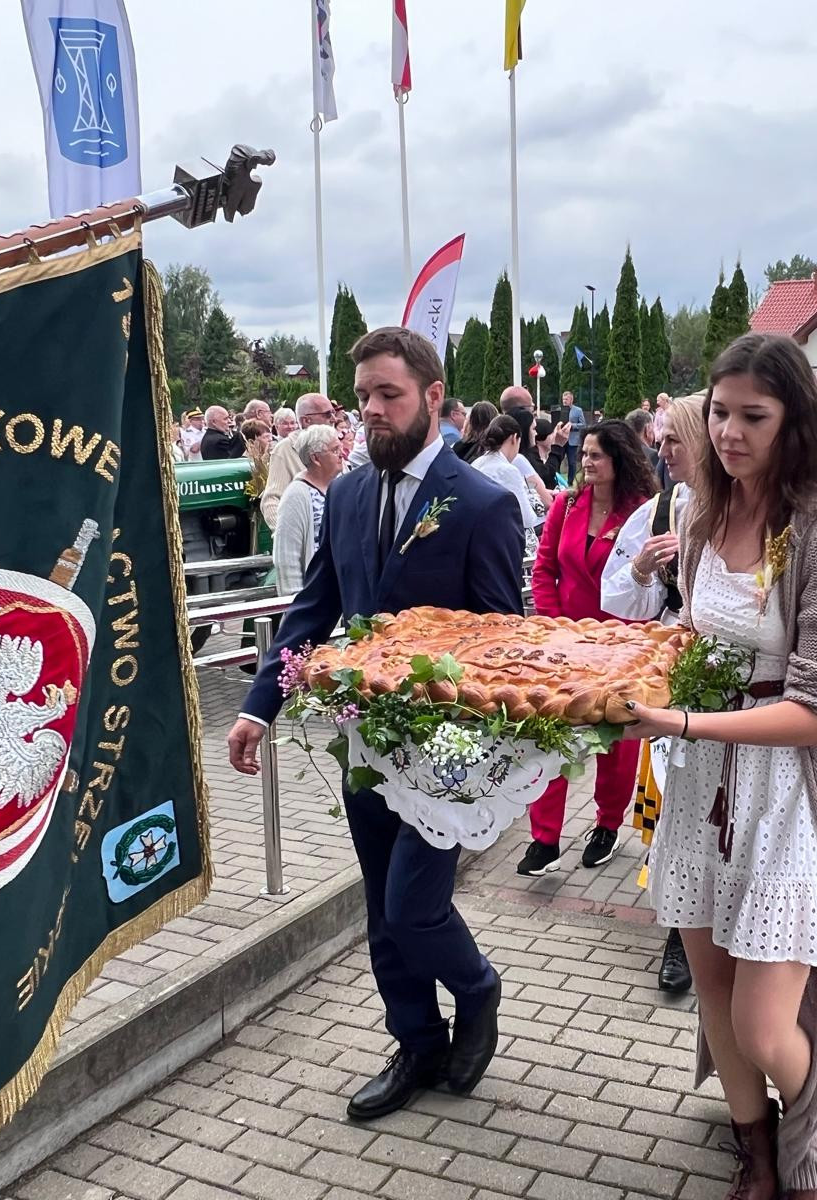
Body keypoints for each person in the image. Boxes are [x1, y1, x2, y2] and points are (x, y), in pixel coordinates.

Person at [227, 327, 525, 1120]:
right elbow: (313, 607)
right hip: (365, 742)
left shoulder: (483, 504)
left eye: (389, 394)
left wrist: (471, 731)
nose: (373, 410)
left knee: (412, 906)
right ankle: (416, 1042)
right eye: (363, 397)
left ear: (433, 396)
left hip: (449, 746)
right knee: (380, 908)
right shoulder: (349, 495)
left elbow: (502, 643)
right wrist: (260, 705)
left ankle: (477, 988)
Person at [620, 332, 817, 1200]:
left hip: (791, 790)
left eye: (753, 417)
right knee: (713, 984)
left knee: (764, 1023)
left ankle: (814, 1145)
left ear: (795, 419)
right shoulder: (705, 510)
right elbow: (696, 634)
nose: (729, 433)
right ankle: (756, 1152)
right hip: (702, 782)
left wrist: (682, 719)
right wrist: (628, 681)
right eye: (721, 413)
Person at [601, 395, 709, 996]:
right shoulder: (660, 510)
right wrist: (643, 568)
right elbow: (617, 595)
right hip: (678, 667)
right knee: (677, 800)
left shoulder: (760, 505)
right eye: (660, 440)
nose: (663, 451)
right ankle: (679, 930)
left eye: (674, 439)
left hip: (745, 677)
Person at [520, 421, 657, 877]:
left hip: (621, 645)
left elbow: (648, 584)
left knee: (614, 739)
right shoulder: (566, 504)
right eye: (584, 455)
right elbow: (544, 569)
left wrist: (618, 638)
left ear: (619, 459)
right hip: (565, 642)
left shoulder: (642, 512)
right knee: (551, 733)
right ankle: (544, 839)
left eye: (596, 455)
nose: (586, 462)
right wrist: (556, 624)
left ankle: (607, 825)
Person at [271, 425, 343, 595]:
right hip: (317, 594)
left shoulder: (340, 485)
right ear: (315, 458)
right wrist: (295, 599)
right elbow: (286, 556)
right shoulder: (296, 495)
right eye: (334, 450)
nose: (341, 454)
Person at [260, 394, 337, 529]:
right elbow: (271, 500)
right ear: (306, 421)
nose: (334, 419)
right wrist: (288, 534)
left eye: (334, 413)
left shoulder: (334, 444)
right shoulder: (285, 449)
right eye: (327, 414)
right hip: (310, 536)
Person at [471, 414, 540, 546]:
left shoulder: (476, 463)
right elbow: (527, 519)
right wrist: (532, 497)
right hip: (498, 540)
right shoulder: (508, 470)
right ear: (514, 438)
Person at [562, 389, 587, 479]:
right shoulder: (559, 410)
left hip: (572, 441)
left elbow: (583, 425)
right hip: (561, 440)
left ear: (571, 400)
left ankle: (570, 481)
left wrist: (572, 425)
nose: (564, 401)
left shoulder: (578, 410)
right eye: (563, 399)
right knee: (556, 460)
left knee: (572, 463)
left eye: (566, 399)